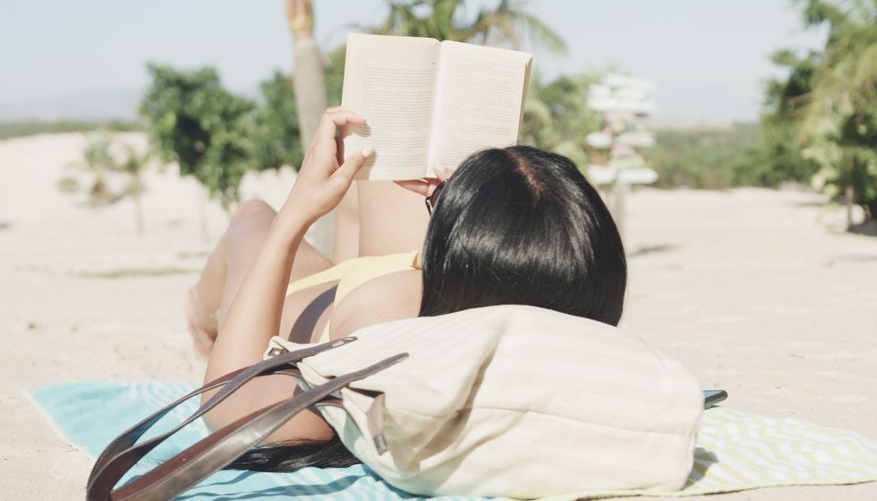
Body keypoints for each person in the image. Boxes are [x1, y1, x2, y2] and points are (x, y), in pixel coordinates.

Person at [186, 107, 627, 471]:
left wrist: (295, 216)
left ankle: (201, 317)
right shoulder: (566, 317)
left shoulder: (385, 359)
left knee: (253, 218)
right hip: (400, 279)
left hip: (305, 300)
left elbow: (225, 401)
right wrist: (464, 201)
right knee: (378, 158)